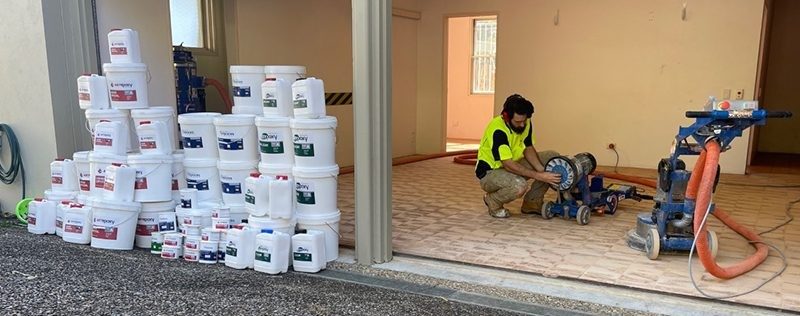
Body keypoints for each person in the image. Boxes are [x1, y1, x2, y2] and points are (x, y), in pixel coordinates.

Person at [475, 94, 561, 218]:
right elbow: (508, 164)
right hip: (490, 173)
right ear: (506, 117)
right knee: (519, 185)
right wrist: (540, 176)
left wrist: (543, 170)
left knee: (552, 158)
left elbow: (527, 147)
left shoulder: (525, 122)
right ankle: (493, 200)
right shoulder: (498, 130)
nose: (522, 125)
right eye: (518, 122)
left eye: (524, 121)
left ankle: (532, 203)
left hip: (511, 165)